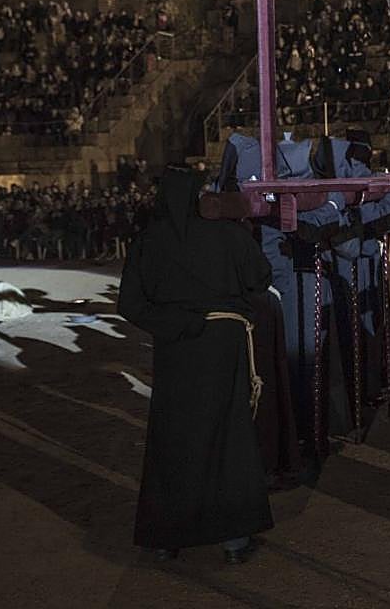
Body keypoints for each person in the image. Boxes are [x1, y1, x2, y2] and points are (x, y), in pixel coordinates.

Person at [118, 166, 274, 564]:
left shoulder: (146, 244)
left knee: (175, 440)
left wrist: (176, 323)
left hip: (177, 351)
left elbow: (131, 305)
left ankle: (168, 535)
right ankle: (234, 537)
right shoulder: (227, 236)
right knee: (229, 435)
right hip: (223, 346)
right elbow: (260, 276)